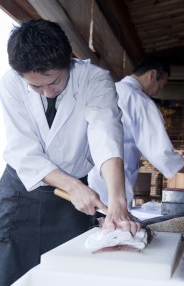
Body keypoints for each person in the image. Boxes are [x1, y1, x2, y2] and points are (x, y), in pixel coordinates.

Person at [0, 19, 140, 286]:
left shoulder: (95, 80)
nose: (47, 91)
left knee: (68, 273)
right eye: (36, 87)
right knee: (11, 273)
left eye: (53, 82)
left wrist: (118, 203)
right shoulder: (10, 83)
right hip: (21, 195)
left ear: (69, 62)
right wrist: (73, 187)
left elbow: (106, 136)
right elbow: (23, 151)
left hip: (71, 204)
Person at [88, 55, 184, 210]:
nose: (156, 92)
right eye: (159, 87)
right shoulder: (139, 101)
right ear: (152, 75)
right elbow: (162, 155)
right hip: (109, 188)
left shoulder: (109, 89)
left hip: (86, 183)